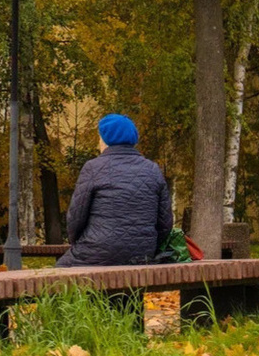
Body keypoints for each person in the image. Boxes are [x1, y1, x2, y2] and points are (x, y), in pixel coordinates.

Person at [57, 113, 173, 267]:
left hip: (98, 249)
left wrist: (77, 241)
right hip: (143, 253)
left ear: (106, 139)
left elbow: (76, 218)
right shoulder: (152, 169)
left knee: (54, 277)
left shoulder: (93, 167)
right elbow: (165, 223)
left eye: (99, 137)